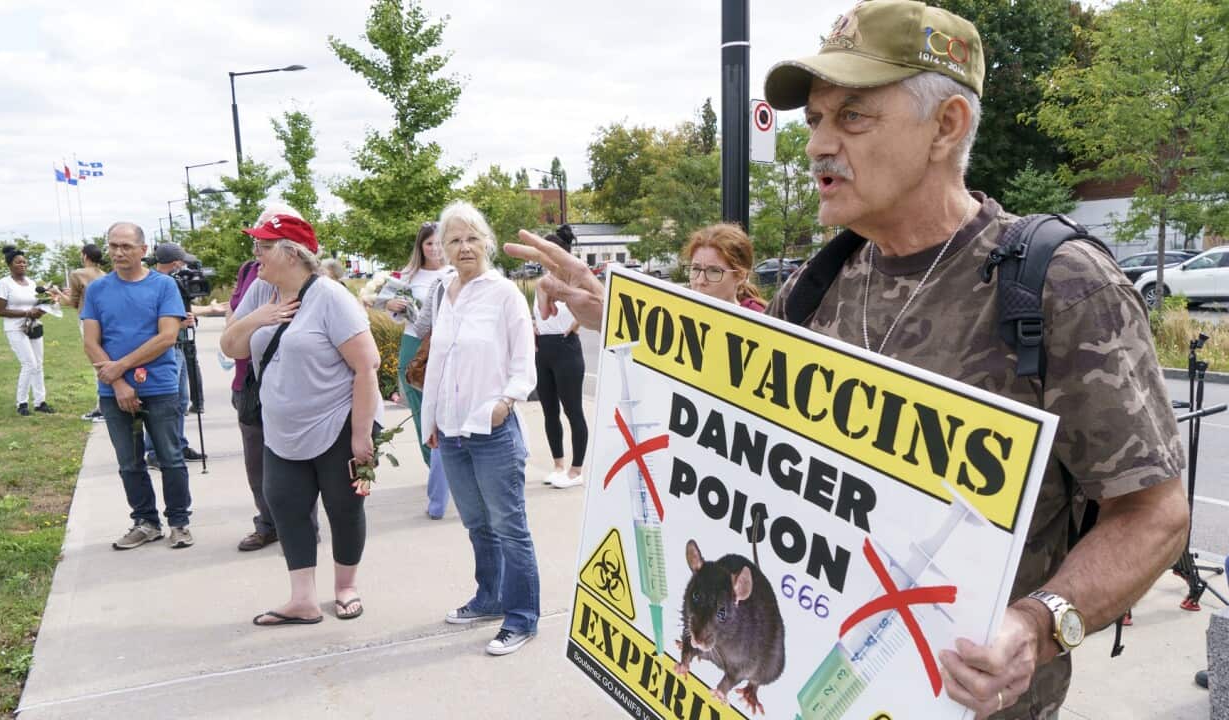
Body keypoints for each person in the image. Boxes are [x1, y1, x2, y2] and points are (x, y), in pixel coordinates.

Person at [506, 3, 1191, 716]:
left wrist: (1040, 623)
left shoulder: (1060, 285)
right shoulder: (820, 280)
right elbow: (730, 408)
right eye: (814, 121)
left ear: (947, 126)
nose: (817, 147)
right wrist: (619, 313)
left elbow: (1155, 515)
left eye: (853, 118)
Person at [221, 213, 383, 626]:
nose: (255, 255)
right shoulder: (262, 290)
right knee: (286, 505)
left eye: (263, 247)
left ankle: (346, 587)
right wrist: (260, 317)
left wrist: (362, 435)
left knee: (343, 507)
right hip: (281, 429)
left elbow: (367, 367)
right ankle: (303, 600)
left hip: (337, 424)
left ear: (290, 253)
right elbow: (231, 347)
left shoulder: (331, 297)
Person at [421, 201, 540, 656]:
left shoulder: (504, 292)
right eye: (454, 240)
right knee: (477, 524)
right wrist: (431, 419)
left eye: (472, 238)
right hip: (451, 432)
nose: (464, 247)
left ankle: (523, 616)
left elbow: (523, 359)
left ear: (486, 242)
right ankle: (490, 598)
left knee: (510, 526)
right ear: (442, 249)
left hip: (491, 430)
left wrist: (505, 402)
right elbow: (438, 361)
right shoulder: (444, 290)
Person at [81, 222, 194, 550]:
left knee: (170, 457)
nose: (118, 252)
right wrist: (117, 382)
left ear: (143, 250)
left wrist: (122, 365)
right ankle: (145, 522)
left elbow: (167, 337)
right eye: (113, 245)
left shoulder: (164, 287)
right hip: (113, 392)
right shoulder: (98, 290)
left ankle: (179, 522)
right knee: (129, 462)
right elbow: (91, 342)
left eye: (126, 246)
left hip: (159, 387)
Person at [227, 203, 317, 552]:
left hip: (294, 389)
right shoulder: (250, 273)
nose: (258, 246)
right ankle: (267, 523)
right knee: (257, 463)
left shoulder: (316, 282)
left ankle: (302, 529)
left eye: (267, 238)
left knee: (298, 465)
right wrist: (254, 319)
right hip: (249, 382)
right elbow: (232, 327)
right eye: (258, 236)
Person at [373, 221, 453, 518]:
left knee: (447, 409)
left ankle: (451, 471)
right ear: (420, 247)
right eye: (428, 243)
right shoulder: (407, 275)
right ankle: (435, 471)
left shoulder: (457, 272)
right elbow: (384, 305)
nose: (435, 249)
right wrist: (392, 304)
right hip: (414, 345)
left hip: (447, 347)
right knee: (421, 412)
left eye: (439, 242)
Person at [141, 242, 207, 467]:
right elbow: (153, 320)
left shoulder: (175, 282)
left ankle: (178, 444)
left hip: (180, 346)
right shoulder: (153, 284)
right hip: (166, 348)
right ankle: (154, 451)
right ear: (176, 262)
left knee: (180, 401)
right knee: (162, 403)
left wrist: (188, 318)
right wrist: (180, 323)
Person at [533, 229, 588, 489]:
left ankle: (577, 470)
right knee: (549, 411)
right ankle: (558, 465)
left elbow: (596, 305)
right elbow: (541, 315)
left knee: (573, 410)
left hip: (567, 348)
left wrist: (576, 324)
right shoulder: (541, 283)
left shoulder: (577, 280)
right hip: (543, 349)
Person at [0, 245, 63, 416]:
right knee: (29, 363)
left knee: (38, 365)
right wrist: (26, 312)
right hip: (15, 328)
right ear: (10, 265)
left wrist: (49, 303)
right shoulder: (4, 283)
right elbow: (0, 311)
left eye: (25, 262)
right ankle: (22, 403)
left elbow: (35, 305)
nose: (23, 265)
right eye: (18, 262)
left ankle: (40, 402)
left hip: (33, 326)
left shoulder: (32, 283)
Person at [680, 223, 766, 311]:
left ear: (740, 276)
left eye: (713, 271)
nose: (700, 281)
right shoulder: (678, 312)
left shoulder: (757, 320)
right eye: (696, 269)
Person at [67, 242, 107, 421]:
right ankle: (105, 403)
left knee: (96, 362)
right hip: (106, 320)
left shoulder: (77, 274)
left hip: (87, 321)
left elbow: (73, 302)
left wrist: (58, 294)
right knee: (106, 358)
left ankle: (103, 406)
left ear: (85, 256)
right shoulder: (105, 275)